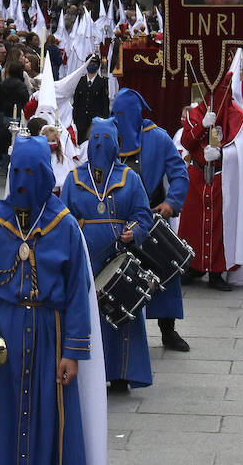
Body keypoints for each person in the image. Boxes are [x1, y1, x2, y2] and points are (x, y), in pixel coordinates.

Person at [0, 135, 98, 464]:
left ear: (45, 173)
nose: (23, 182)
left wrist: (73, 352)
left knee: (49, 416)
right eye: (17, 171)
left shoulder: (63, 225)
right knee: (1, 419)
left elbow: (79, 291)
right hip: (1, 340)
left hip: (50, 338)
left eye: (31, 172)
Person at [62, 117, 153, 390]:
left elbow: (143, 214)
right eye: (96, 140)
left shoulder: (130, 178)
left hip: (118, 259)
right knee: (88, 315)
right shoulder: (74, 178)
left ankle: (121, 372)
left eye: (106, 140)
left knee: (121, 317)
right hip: (86, 258)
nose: (101, 145)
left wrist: (134, 231)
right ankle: (89, 373)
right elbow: (63, 215)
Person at [110, 88, 192, 350]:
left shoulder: (158, 137)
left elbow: (179, 173)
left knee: (166, 274)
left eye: (122, 114)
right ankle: (116, 333)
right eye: (115, 113)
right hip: (116, 221)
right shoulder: (108, 134)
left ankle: (168, 330)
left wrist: (171, 202)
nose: (117, 119)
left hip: (153, 218)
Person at [178, 79, 243, 289]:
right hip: (197, 176)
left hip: (224, 178)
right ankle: (194, 267)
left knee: (221, 227)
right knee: (193, 224)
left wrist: (224, 153)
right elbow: (187, 142)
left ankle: (217, 271)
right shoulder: (195, 114)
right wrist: (202, 128)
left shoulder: (239, 118)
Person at [72, 55, 110, 142]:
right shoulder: (80, 80)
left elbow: (104, 104)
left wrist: (103, 120)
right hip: (81, 120)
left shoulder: (102, 82)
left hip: (95, 121)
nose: (92, 65)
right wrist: (75, 117)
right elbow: (76, 101)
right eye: (90, 63)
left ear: (98, 65)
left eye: (94, 63)